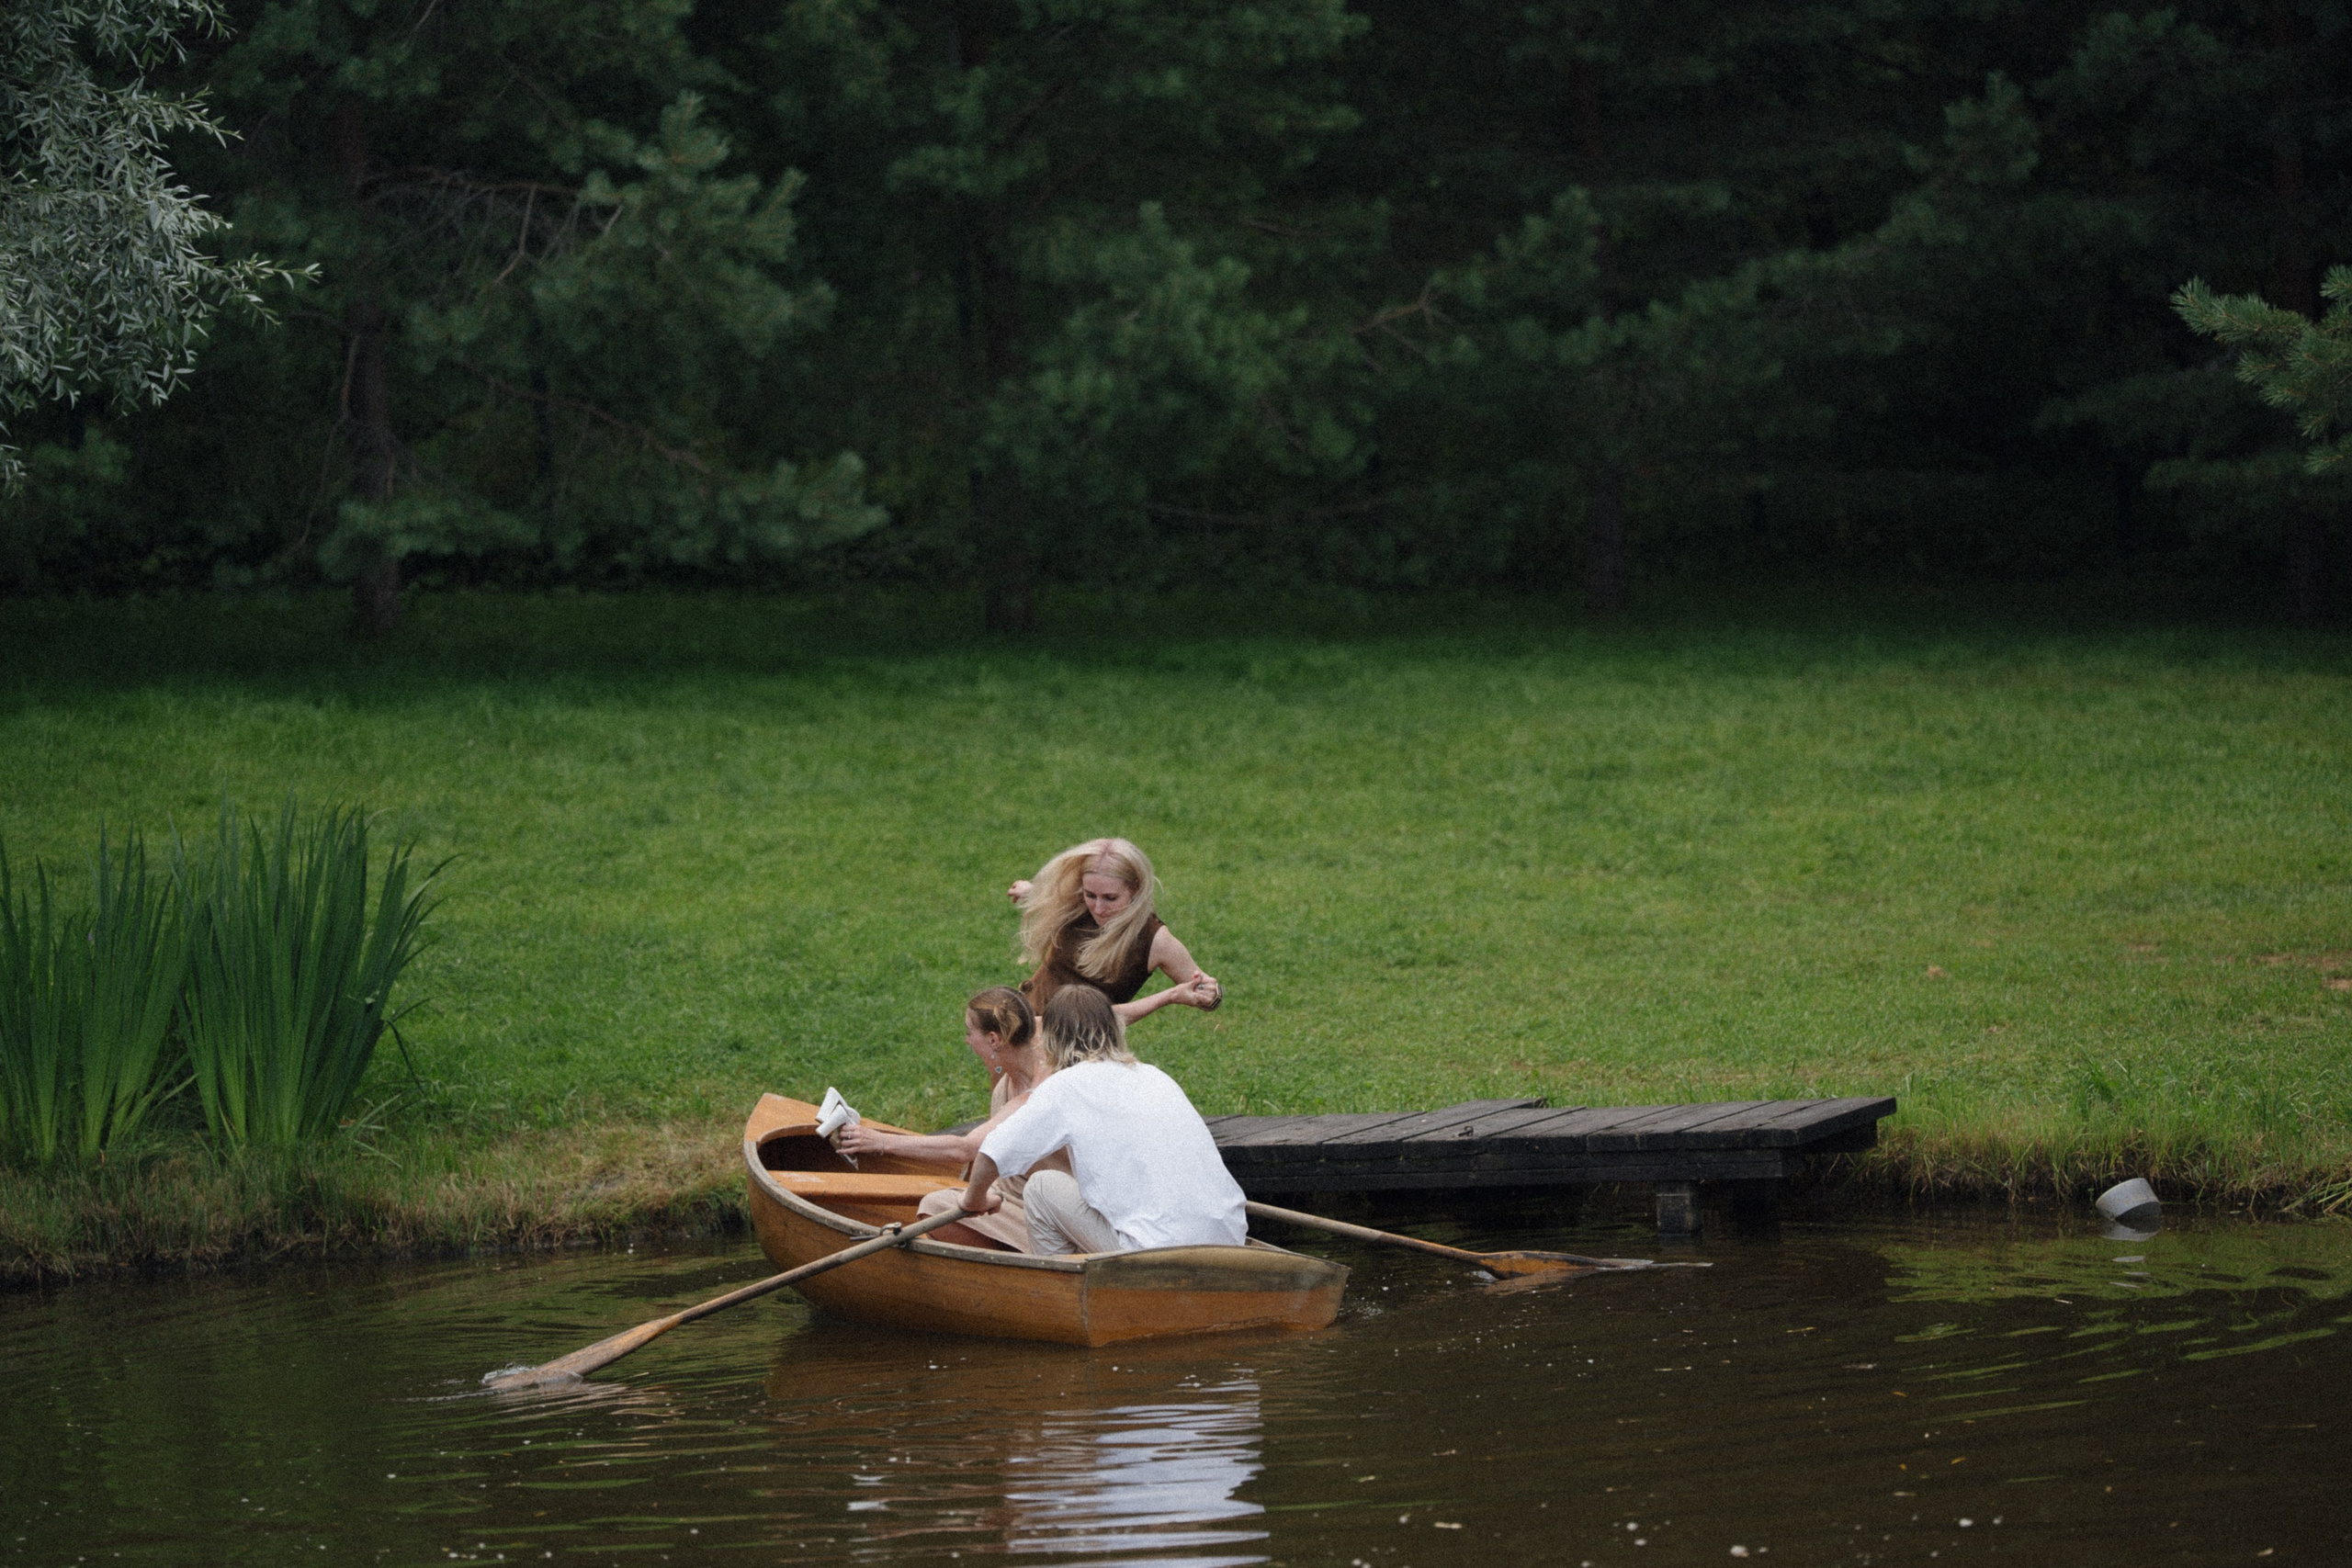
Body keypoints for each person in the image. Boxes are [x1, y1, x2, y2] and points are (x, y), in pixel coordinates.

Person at [960, 985, 1247, 1256]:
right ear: (1114, 1028)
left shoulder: (1064, 1086)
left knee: (1041, 1187)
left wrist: (974, 1202)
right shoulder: (1155, 1075)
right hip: (1230, 1240)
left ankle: (1062, 1293)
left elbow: (990, 1155)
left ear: (1051, 1039)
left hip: (1156, 1250)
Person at [834, 986, 1068, 1251]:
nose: (967, 1041)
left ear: (994, 1040)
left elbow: (965, 1149)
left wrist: (879, 1142)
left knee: (934, 1207)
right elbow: (1104, 1014)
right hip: (1009, 1194)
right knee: (942, 1204)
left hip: (1050, 1214)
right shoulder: (1032, 1037)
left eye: (970, 1033)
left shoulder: (1035, 1093)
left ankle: (1022, 1266)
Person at [1007, 837, 1222, 1024]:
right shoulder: (1076, 905)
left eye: (1111, 898)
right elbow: (1055, 898)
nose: (1098, 908)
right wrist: (1032, 892)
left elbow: (1203, 994)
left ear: (1135, 887)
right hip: (1023, 1024)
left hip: (1079, 1047)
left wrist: (1212, 994)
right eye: (1091, 895)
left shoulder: (1155, 940)